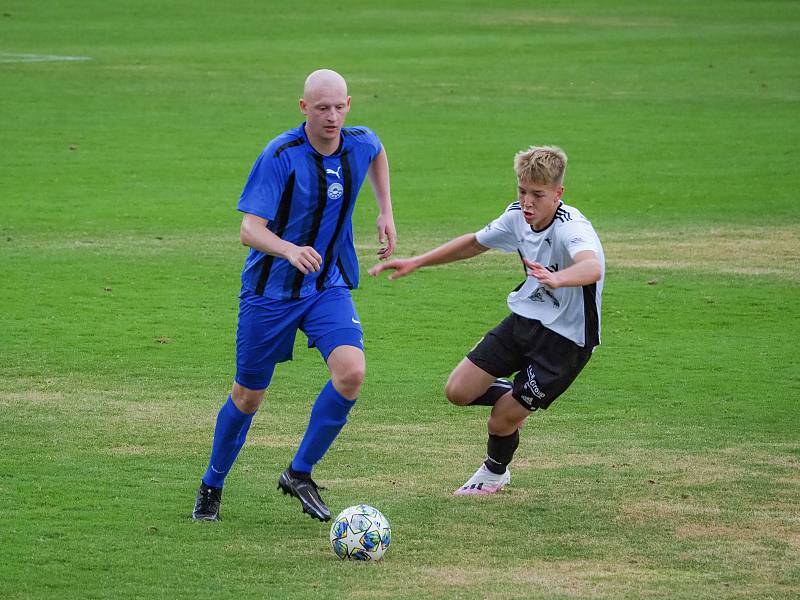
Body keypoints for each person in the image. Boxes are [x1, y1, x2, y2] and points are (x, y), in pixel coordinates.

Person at [192, 69, 396, 522]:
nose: (332, 116)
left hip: (326, 285)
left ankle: (299, 472)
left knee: (352, 373)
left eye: (339, 106)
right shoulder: (281, 154)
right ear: (303, 108)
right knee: (248, 397)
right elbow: (249, 229)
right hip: (270, 293)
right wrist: (288, 249)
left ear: (349, 105)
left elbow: (377, 150)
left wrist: (385, 210)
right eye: (322, 108)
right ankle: (212, 483)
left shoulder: (357, 142)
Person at [369, 145, 603, 495]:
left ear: (558, 194)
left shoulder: (572, 229)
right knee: (458, 391)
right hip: (525, 321)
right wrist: (417, 261)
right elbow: (474, 244)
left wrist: (559, 278)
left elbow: (592, 266)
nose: (527, 202)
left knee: (501, 419)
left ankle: (494, 472)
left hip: (566, 341)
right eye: (522, 191)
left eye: (538, 195)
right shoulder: (516, 218)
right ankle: (520, 395)